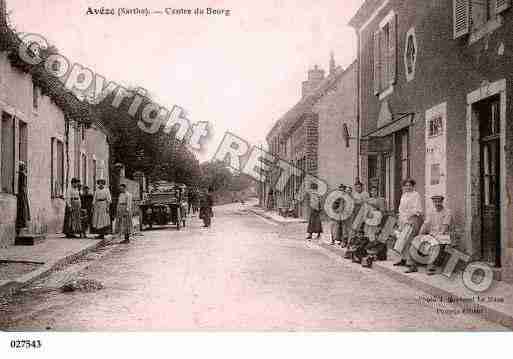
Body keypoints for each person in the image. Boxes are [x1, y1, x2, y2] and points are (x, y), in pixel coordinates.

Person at [394, 178, 424, 273]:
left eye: (409, 185)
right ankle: (404, 259)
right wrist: (401, 220)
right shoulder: (404, 195)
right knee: (402, 240)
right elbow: (401, 209)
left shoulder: (416, 195)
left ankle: (413, 264)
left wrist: (409, 218)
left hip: (413, 219)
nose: (408, 187)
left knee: (410, 241)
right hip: (404, 220)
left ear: (413, 186)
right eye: (406, 185)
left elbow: (417, 209)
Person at [418, 195, 452, 275]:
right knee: (422, 241)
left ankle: (431, 266)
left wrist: (437, 236)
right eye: (435, 202)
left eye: (439, 201)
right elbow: (425, 224)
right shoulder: (431, 212)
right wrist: (419, 234)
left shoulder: (447, 212)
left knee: (435, 244)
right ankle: (427, 263)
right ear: (433, 202)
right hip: (433, 234)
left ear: (442, 202)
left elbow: (445, 226)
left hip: (444, 235)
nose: (437, 203)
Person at [15, 162, 31, 234]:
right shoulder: (24, 174)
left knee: (22, 207)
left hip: (22, 192)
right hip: (24, 192)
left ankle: (22, 223)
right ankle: (23, 223)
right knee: (24, 207)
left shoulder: (22, 174)